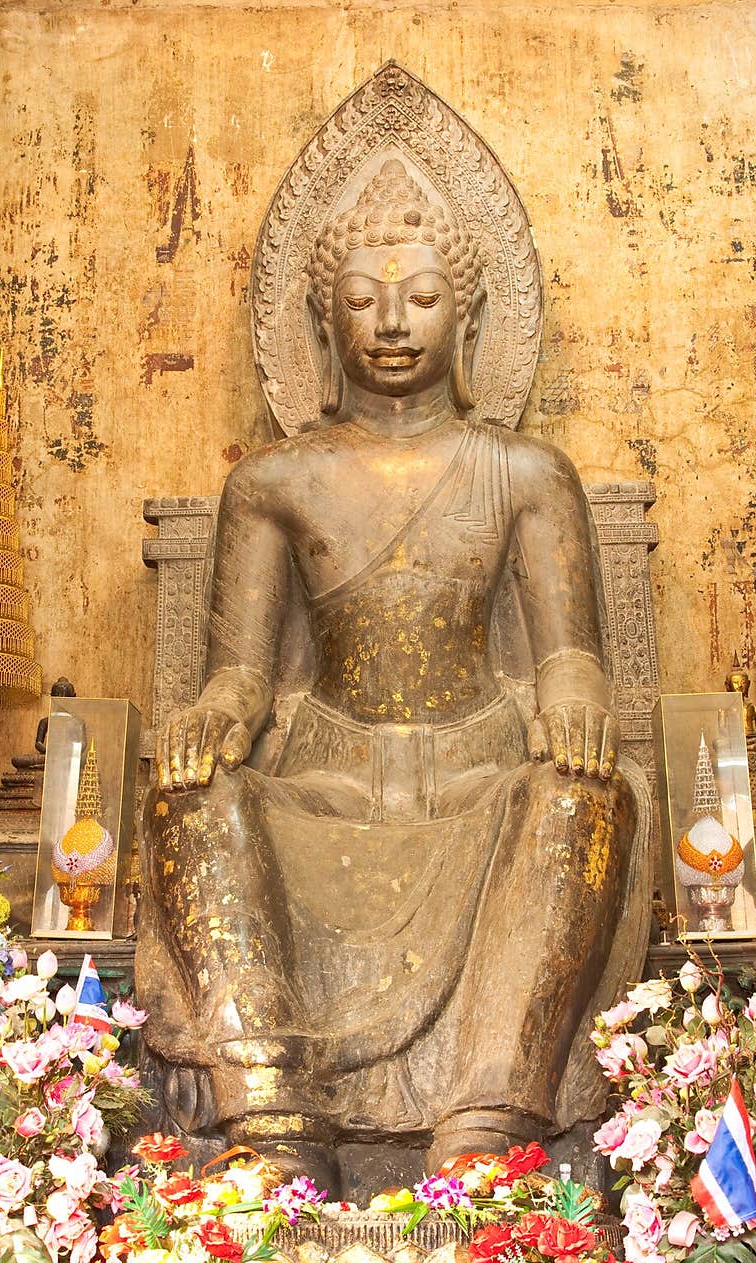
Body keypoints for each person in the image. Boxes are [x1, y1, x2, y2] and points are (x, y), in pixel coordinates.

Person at [137, 160, 648, 1189]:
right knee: (194, 807)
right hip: (324, 781)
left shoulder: (524, 473)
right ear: (323, 326)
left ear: (469, 314)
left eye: (420, 298)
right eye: (362, 302)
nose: (392, 323)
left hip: (477, 774)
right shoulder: (275, 480)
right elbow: (240, 674)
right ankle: (274, 1123)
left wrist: (578, 692)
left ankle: (486, 1129)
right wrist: (214, 713)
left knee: (583, 805)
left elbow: (567, 654)